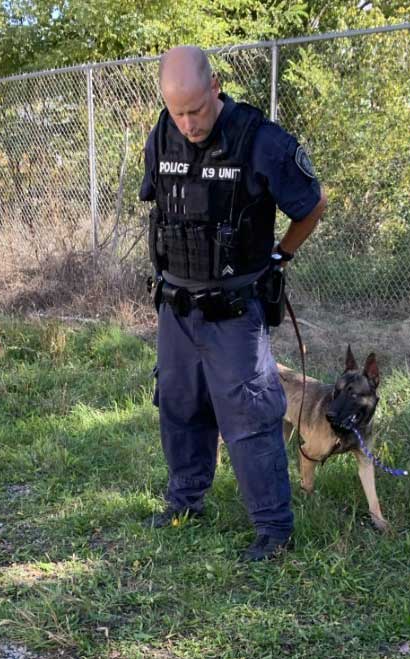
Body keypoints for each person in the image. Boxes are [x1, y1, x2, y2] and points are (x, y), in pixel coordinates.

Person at [139, 45, 326, 561]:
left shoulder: (258, 139)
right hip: (176, 306)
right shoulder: (162, 134)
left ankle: (273, 531)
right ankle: (185, 502)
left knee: (249, 417)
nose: (188, 122)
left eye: (195, 109)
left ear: (215, 84)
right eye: (177, 111)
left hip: (232, 312)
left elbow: (312, 206)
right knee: (179, 406)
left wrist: (280, 256)